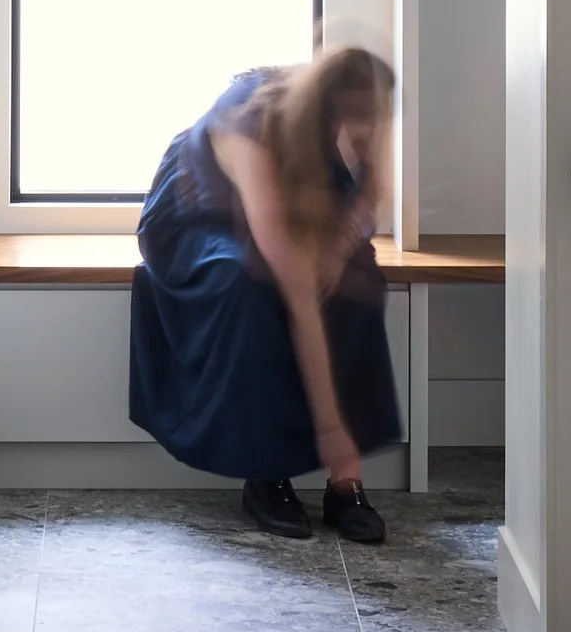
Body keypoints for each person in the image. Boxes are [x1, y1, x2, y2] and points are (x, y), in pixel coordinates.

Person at [128, 44, 401, 543]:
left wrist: (339, 254)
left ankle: (346, 485)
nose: (366, 134)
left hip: (288, 190)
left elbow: (369, 190)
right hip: (197, 208)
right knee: (248, 285)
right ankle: (267, 473)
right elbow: (296, 290)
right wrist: (330, 429)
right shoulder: (250, 122)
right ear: (328, 113)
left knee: (359, 280)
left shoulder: (362, 96)